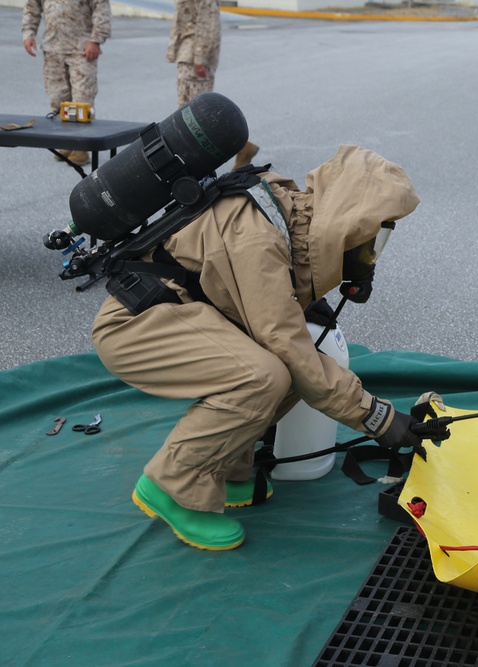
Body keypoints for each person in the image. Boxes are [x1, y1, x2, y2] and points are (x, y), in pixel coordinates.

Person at [92, 145, 423, 551]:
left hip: (179, 314)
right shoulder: (258, 237)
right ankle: (172, 484)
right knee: (266, 374)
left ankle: (228, 470)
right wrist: (378, 418)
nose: (371, 252)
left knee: (285, 369)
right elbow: (287, 345)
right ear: (348, 221)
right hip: (137, 325)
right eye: (372, 236)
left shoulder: (287, 214)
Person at [167, 0, 258, 168]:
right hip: (187, 54)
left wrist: (200, 59)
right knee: (189, 116)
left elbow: (208, 22)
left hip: (194, 58)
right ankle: (242, 148)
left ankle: (239, 147)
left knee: (194, 118)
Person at [21, 0, 112, 167]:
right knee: (58, 98)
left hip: (82, 48)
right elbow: (31, 7)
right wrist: (28, 34)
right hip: (53, 47)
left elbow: (101, 7)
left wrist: (96, 40)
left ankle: (82, 147)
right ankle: (68, 142)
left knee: (82, 98)